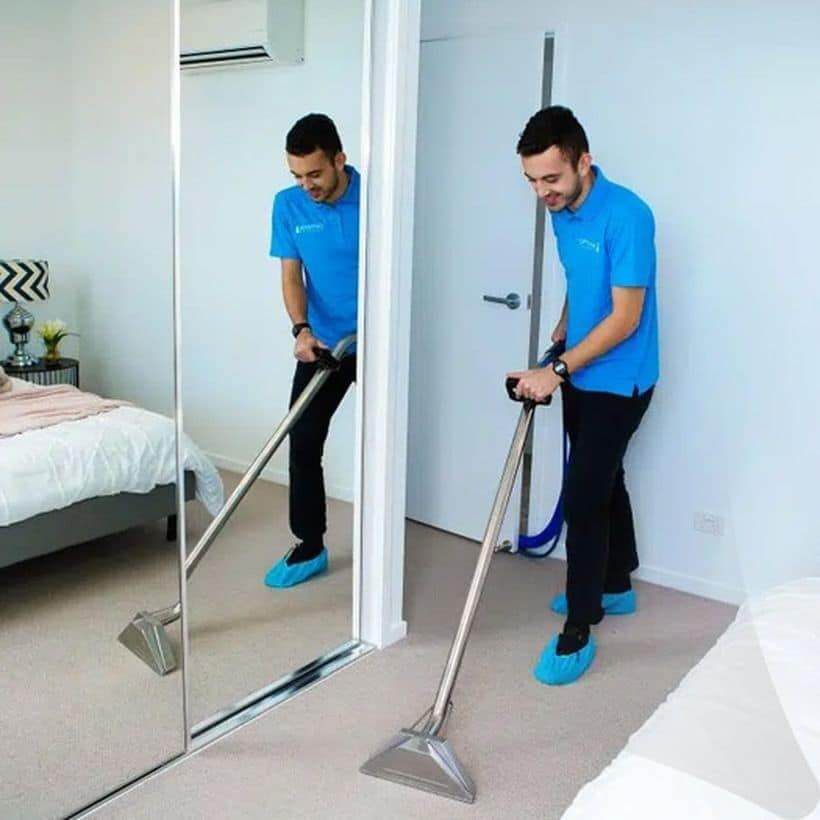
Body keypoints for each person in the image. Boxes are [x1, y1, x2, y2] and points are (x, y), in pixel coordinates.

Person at [508, 106, 659, 685]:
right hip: (582, 368)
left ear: (583, 161)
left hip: (623, 380)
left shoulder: (628, 215)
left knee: (583, 496)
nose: (542, 192)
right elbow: (581, 280)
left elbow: (625, 318)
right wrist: (565, 325)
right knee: (605, 479)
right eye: (532, 180)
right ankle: (616, 582)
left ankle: (580, 622)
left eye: (552, 178)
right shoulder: (562, 212)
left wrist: (560, 369)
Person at [265, 113, 359, 588]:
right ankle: (309, 544)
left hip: (375, 338)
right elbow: (290, 275)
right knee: (302, 439)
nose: (307, 186)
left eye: (316, 174)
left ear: (339, 160)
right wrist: (301, 330)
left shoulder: (374, 200)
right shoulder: (288, 206)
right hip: (324, 340)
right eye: (298, 176)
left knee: (385, 443)